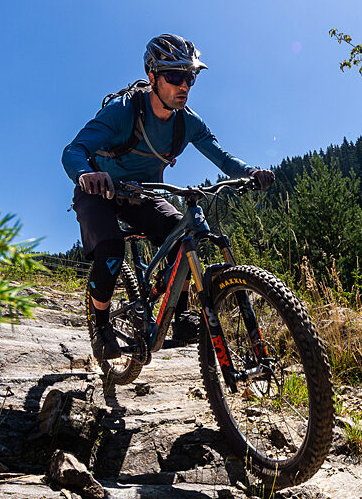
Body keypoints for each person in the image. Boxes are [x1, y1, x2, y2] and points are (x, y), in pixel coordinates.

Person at [62, 33, 275, 360]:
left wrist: (249, 172)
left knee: (185, 235)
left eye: (189, 77)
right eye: (175, 76)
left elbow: (221, 156)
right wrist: (85, 173)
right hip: (99, 189)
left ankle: (181, 313)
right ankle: (101, 326)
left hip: (142, 193)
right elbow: (74, 150)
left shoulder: (188, 123)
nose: (184, 85)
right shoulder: (123, 112)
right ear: (152, 77)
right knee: (111, 247)